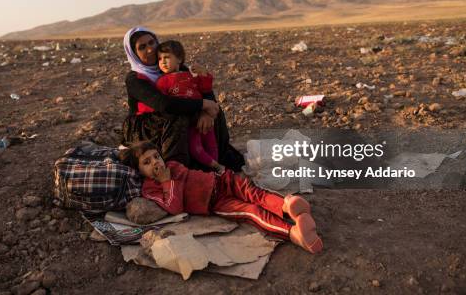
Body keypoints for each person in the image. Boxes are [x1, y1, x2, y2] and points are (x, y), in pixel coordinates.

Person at [121, 141, 324, 254]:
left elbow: (187, 175)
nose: (156, 162)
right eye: (147, 162)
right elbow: (174, 207)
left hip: (221, 181)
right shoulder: (150, 188)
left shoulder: (173, 165)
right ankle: (293, 233)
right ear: (139, 171)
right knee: (251, 211)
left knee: (254, 192)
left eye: (156, 156)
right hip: (215, 202)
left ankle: (288, 207)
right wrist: (167, 181)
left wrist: (171, 174)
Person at [121, 26, 244, 170]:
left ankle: (215, 160)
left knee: (215, 110)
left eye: (151, 43)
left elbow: (202, 91)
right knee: (178, 117)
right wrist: (203, 104)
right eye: (142, 47)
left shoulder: (175, 69)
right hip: (146, 127)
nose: (150, 49)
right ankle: (178, 170)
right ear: (134, 54)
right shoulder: (134, 79)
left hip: (169, 116)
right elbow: (164, 104)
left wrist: (207, 112)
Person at [155, 40, 223, 173]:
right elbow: (163, 103)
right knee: (195, 147)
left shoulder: (190, 75)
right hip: (189, 120)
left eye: (167, 57)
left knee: (211, 144)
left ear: (179, 59)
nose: (162, 61)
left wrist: (204, 74)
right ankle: (215, 166)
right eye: (159, 59)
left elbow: (205, 88)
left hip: (202, 115)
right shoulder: (162, 81)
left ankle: (214, 171)